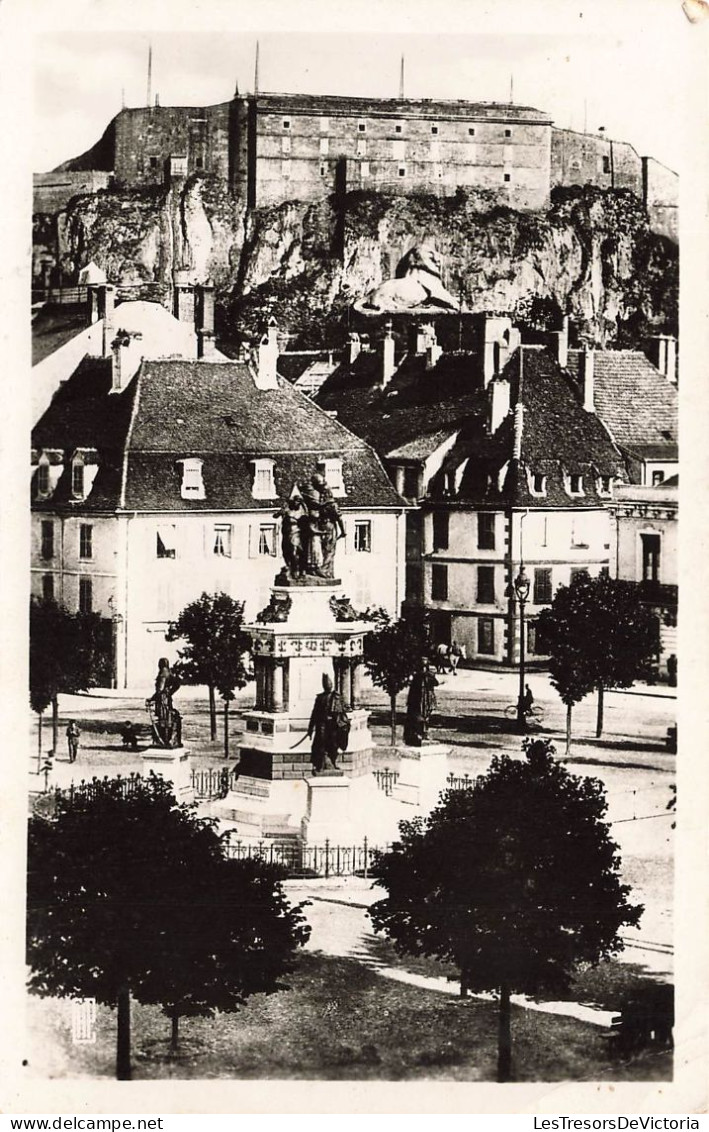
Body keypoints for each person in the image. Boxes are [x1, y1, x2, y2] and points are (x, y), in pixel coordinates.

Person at [307, 673, 349, 774]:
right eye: (326, 684)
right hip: (322, 724)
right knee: (321, 743)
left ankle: (333, 762)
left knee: (334, 744)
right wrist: (310, 728)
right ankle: (320, 765)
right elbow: (314, 714)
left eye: (329, 683)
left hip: (333, 725)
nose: (328, 685)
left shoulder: (337, 697)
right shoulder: (320, 698)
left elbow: (342, 713)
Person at [146, 658, 182, 748]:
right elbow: (177, 684)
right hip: (166, 700)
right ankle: (167, 740)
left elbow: (159, 690)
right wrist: (169, 692)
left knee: (164, 720)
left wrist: (151, 699)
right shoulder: (169, 672)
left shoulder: (162, 673)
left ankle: (164, 741)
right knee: (167, 720)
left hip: (162, 701)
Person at [404, 656, 439, 746]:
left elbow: (435, 683)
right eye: (422, 660)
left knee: (426, 715)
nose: (424, 662)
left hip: (426, 698)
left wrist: (430, 676)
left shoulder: (428, 674)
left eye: (426, 660)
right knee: (417, 716)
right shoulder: (417, 676)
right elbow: (414, 688)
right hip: (418, 699)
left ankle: (424, 732)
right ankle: (417, 733)